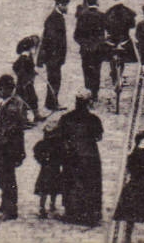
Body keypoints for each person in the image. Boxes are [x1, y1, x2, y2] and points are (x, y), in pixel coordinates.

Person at [0, 74, 30, 220]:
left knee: (7, 178)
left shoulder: (14, 106)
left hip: (7, 149)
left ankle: (10, 209)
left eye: (0, 89)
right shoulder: (6, 103)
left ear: (8, 89)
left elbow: (8, 130)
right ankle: (5, 205)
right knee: (3, 178)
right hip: (1, 148)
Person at [57, 89, 104, 226]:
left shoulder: (66, 118)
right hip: (89, 155)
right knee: (90, 183)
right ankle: (90, 212)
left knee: (71, 182)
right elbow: (98, 137)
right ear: (88, 103)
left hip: (71, 155)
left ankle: (72, 211)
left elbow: (61, 135)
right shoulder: (94, 119)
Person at [113, 131, 144, 236]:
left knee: (130, 217)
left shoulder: (132, 154)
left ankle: (127, 238)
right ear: (142, 140)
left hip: (133, 186)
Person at [103, 0, 138, 96]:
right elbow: (132, 25)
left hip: (112, 40)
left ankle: (114, 74)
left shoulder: (108, 13)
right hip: (123, 39)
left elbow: (105, 26)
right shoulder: (128, 12)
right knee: (122, 58)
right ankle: (120, 75)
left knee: (110, 55)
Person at [38, 0, 70, 111]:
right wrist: (56, 57)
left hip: (54, 57)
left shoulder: (57, 17)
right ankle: (52, 103)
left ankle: (51, 102)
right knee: (54, 80)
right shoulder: (54, 18)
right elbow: (51, 39)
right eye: (66, 5)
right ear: (60, 5)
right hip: (53, 57)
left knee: (54, 80)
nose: (67, 8)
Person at [32, 117, 68, 219]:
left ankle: (44, 206)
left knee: (46, 189)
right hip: (53, 169)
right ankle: (48, 205)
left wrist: (42, 160)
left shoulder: (45, 144)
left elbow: (36, 152)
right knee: (52, 189)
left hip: (47, 169)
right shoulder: (58, 145)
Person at [74, 0, 108, 100]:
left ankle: (87, 92)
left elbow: (76, 35)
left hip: (85, 50)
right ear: (97, 2)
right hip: (98, 50)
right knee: (97, 71)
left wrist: (84, 44)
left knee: (86, 70)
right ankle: (95, 94)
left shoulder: (82, 15)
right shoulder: (102, 15)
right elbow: (106, 33)